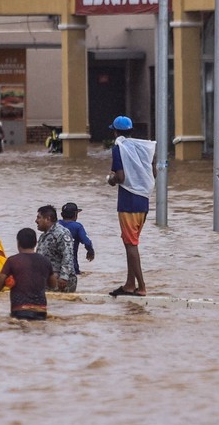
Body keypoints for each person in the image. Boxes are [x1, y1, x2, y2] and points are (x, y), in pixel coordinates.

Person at [106, 116, 155, 297]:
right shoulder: (143, 148)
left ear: (115, 132)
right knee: (130, 242)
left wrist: (110, 180)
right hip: (143, 203)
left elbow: (120, 177)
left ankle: (141, 287)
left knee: (131, 245)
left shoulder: (119, 149)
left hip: (128, 204)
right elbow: (154, 173)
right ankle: (129, 284)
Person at [0, 228, 58, 320]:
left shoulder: (12, 261)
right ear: (36, 243)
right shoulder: (45, 261)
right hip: (41, 311)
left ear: (18, 243)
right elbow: (53, 284)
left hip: (20, 310)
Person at [35, 205, 76, 293]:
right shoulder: (43, 236)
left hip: (61, 282)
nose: (36, 221)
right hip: (47, 280)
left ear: (47, 219)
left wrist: (64, 277)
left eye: (39, 217)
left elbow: (68, 256)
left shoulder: (62, 233)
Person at [58, 202, 94, 277]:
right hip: (72, 268)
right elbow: (87, 243)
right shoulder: (77, 227)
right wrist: (90, 251)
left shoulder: (55, 224)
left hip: (54, 268)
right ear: (75, 215)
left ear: (62, 215)